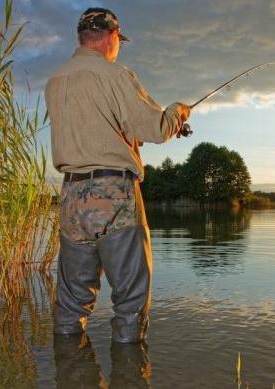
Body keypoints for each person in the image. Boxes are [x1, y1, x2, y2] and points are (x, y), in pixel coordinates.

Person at [45, 7, 191, 343]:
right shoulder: (116, 75)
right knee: (130, 302)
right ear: (112, 37)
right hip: (114, 193)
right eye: (119, 41)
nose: (118, 47)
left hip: (71, 197)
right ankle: (130, 371)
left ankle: (70, 371)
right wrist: (178, 112)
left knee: (70, 305)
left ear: (82, 37)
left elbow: (95, 128)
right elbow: (155, 128)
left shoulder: (55, 81)